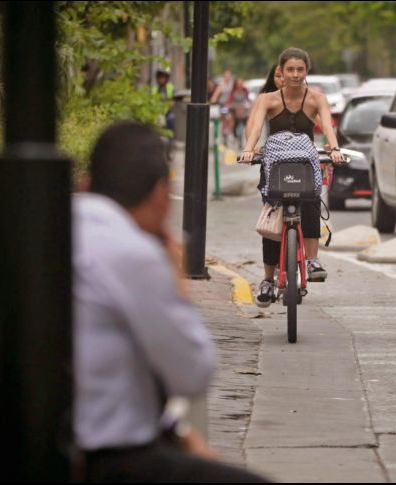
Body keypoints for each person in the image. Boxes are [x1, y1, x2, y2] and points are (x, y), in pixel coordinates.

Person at [74, 122, 268, 483]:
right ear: (161, 195)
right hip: (109, 460)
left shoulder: (59, 227)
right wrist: (176, 281)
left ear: (87, 183)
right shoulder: (134, 255)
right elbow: (193, 373)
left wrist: (180, 434)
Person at [240, 48, 344, 308]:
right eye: (290, 70)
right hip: (275, 164)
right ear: (281, 72)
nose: (295, 75)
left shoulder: (317, 98)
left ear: (307, 71)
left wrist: (335, 149)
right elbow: (253, 130)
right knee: (273, 215)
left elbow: (328, 128)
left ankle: (312, 260)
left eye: (300, 70)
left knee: (310, 201)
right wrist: (249, 150)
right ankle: (267, 279)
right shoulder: (268, 100)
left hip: (305, 164)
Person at [226, 78, 252, 147]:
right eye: (239, 83)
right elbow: (229, 101)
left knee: (248, 123)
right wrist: (231, 106)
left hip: (243, 110)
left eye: (241, 83)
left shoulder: (245, 90)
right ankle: (233, 135)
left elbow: (248, 99)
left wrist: (251, 104)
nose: (240, 85)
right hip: (235, 110)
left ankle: (248, 138)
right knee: (232, 122)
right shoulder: (233, 92)